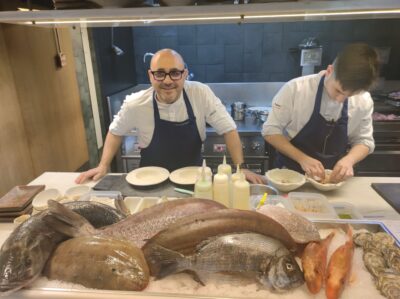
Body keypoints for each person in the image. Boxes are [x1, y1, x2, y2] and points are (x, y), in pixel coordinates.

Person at [76, 48, 264, 184]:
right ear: (150, 76)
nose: (167, 81)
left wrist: (241, 167)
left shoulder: (200, 94)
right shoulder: (136, 103)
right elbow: (115, 132)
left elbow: (228, 129)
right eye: (160, 74)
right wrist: (103, 165)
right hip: (148, 182)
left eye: (174, 73)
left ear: (185, 75)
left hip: (195, 182)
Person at [262, 43, 379, 183]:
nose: (340, 100)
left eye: (349, 96)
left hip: (335, 181)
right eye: (338, 91)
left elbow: (364, 141)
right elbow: (270, 131)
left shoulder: (364, 100)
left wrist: (349, 160)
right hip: (291, 177)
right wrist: (302, 158)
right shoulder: (296, 89)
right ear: (329, 70)